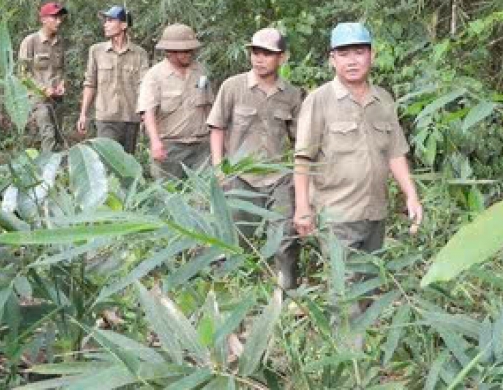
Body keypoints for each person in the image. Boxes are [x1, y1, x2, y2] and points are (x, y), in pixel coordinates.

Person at [293, 22, 423, 290]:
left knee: (369, 285)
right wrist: (303, 208)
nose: (352, 61)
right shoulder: (319, 100)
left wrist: (411, 195)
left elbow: (395, 152)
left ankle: (363, 330)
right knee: (344, 290)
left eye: (359, 52)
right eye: (344, 54)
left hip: (375, 211)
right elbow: (303, 158)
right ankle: (348, 333)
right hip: (337, 214)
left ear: (372, 55)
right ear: (332, 59)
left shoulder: (383, 100)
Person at [207, 28, 303, 290]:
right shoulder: (233, 87)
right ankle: (237, 292)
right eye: (255, 52)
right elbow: (217, 127)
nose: (259, 59)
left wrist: (300, 177)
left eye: (267, 54)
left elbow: (300, 140)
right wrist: (219, 168)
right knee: (237, 238)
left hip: (280, 177)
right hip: (240, 175)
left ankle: (285, 293)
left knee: (284, 238)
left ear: (282, 58)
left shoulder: (292, 95)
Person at [137, 24, 213, 180]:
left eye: (190, 50)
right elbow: (148, 112)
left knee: (203, 197)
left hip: (201, 146)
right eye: (184, 51)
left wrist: (215, 138)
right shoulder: (155, 76)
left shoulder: (201, 72)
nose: (189, 54)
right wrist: (155, 143)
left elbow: (209, 108)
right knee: (169, 196)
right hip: (170, 146)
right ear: (169, 51)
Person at [77, 5, 149, 153]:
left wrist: (145, 114)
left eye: (110, 20)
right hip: (106, 117)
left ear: (123, 25)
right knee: (107, 161)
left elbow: (144, 86)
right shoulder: (96, 51)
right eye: (105, 21)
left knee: (127, 164)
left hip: (130, 117)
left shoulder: (139, 54)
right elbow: (90, 83)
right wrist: (83, 114)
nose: (106, 24)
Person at [18, 1, 68, 151]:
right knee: (48, 134)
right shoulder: (30, 42)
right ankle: (47, 171)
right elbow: (22, 74)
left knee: (58, 136)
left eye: (60, 18)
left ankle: (57, 170)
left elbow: (62, 70)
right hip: (38, 99)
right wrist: (43, 89)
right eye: (54, 17)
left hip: (57, 100)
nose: (58, 21)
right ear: (44, 19)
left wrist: (62, 85)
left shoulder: (60, 43)